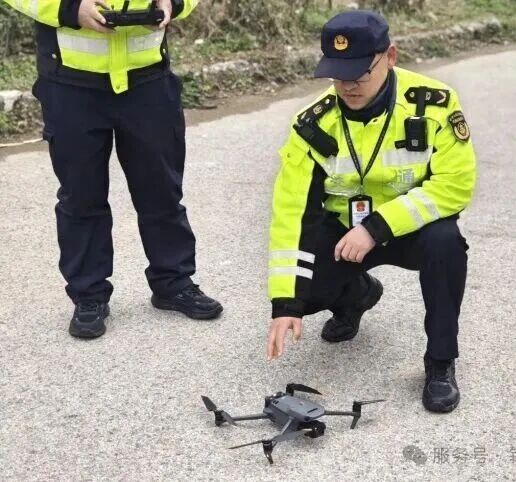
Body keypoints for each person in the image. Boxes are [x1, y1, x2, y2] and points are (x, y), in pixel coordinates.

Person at [265, 10, 476, 413]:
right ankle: (357, 295)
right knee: (302, 291)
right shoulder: (313, 124)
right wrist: (285, 305)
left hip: (410, 230)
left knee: (446, 243)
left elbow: (455, 185)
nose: (348, 85)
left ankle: (440, 362)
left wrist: (377, 227)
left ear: (390, 57)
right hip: (346, 233)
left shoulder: (433, 105)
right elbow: (292, 212)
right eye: (337, 74)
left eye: (359, 73)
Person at [4, 0, 222, 338]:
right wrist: (69, 8)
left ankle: (173, 282)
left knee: (161, 191)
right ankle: (89, 295)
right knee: (81, 196)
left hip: (148, 79)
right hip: (70, 83)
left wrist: (173, 3)